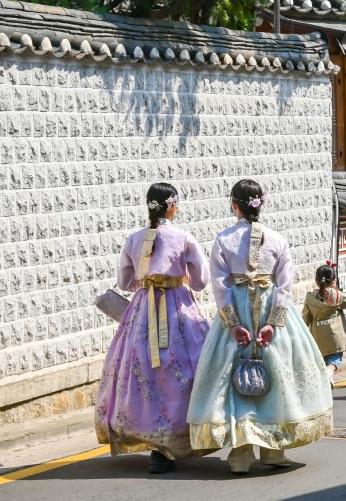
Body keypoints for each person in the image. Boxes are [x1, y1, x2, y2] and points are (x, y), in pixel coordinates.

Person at [187, 180, 332, 475]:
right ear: (260, 204)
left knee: (232, 379)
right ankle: (273, 450)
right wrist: (273, 324)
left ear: (234, 204)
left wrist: (233, 323)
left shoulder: (223, 240)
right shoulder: (278, 240)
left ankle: (240, 455)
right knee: (278, 378)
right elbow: (285, 286)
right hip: (271, 313)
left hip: (236, 313)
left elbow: (220, 286)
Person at [94, 183, 211, 474]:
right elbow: (201, 280)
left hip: (143, 307)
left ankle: (151, 438)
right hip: (177, 305)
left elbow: (124, 282)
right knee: (185, 366)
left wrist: (144, 281)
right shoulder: (183, 238)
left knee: (140, 369)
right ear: (172, 207)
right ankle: (178, 436)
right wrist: (181, 279)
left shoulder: (134, 239)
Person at [303, 263, 346, 388]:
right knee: (335, 359)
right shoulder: (337, 295)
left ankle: (326, 378)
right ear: (334, 281)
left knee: (323, 359)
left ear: (316, 280)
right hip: (335, 338)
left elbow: (305, 318)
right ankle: (329, 372)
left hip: (318, 337)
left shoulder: (311, 298)